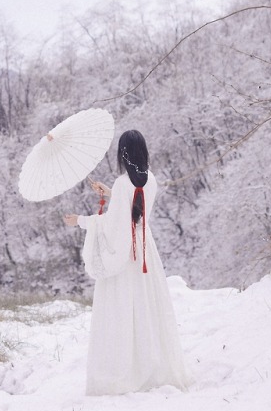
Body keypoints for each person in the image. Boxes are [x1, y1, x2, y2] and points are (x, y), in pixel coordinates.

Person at [64, 129, 191, 395]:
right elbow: (137, 205)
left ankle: (124, 373)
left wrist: (82, 221)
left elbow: (116, 223)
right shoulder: (151, 180)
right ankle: (153, 368)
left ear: (122, 154)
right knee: (147, 307)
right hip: (146, 251)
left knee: (122, 310)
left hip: (128, 254)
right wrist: (111, 193)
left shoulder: (123, 184)